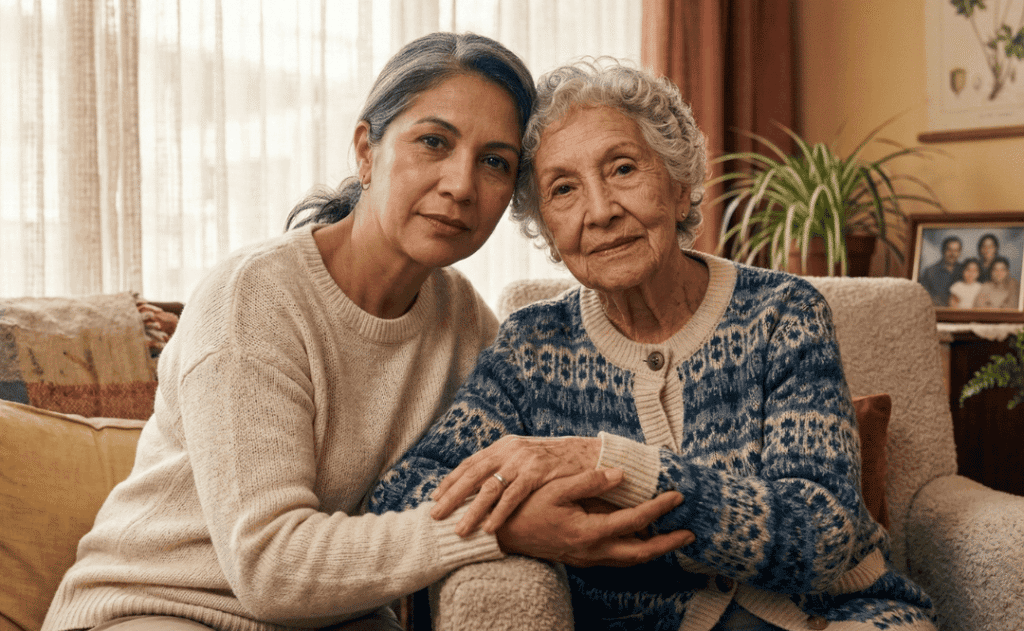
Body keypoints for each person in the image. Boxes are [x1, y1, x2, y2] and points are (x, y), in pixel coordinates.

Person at [41, 34, 688, 631]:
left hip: (326, 618)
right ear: (366, 151)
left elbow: (542, 455)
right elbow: (269, 565)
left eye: (494, 161)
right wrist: (499, 532)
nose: (461, 185)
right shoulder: (255, 298)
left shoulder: (462, 319)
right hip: (154, 607)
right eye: (433, 142)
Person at [371, 59, 937, 631]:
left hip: (839, 614)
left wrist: (607, 462)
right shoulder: (534, 347)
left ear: (680, 181)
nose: (600, 210)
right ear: (545, 228)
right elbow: (402, 495)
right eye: (563, 189)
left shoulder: (782, 313)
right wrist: (522, 523)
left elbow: (821, 537)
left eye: (622, 169)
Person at [918, 236, 962, 306]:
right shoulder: (930, 272)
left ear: (960, 252)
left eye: (956, 250)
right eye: (949, 250)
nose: (952, 254)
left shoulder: (964, 270)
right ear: (943, 250)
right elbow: (922, 297)